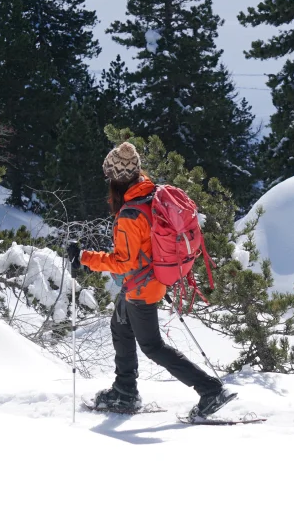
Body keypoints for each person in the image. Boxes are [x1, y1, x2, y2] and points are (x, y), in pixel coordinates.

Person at [67, 141, 236, 419]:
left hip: (142, 286)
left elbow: (124, 262)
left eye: (109, 177)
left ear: (118, 180)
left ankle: (210, 390)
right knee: (120, 327)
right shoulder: (149, 193)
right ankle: (124, 391)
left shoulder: (131, 215)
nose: (108, 182)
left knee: (152, 346)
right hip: (146, 280)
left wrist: (85, 257)